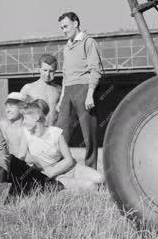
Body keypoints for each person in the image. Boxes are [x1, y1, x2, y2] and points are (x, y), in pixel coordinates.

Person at [19, 98, 103, 190]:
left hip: (72, 168)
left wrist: (50, 172)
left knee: (101, 178)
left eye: (25, 118)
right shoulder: (26, 134)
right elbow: (21, 157)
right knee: (92, 186)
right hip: (57, 177)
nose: (23, 122)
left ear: (36, 118)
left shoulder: (56, 133)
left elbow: (69, 160)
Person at [55, 12, 103, 169]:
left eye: (66, 26)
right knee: (59, 133)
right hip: (68, 90)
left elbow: (96, 70)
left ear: (75, 23)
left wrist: (90, 94)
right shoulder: (66, 47)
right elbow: (64, 74)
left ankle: (91, 170)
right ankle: (60, 168)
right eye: (61, 27)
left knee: (89, 135)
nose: (63, 30)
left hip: (83, 89)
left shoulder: (89, 42)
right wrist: (62, 98)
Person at [20, 54, 62, 126]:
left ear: (55, 71)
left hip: (54, 131)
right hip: (35, 131)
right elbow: (19, 112)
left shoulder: (59, 90)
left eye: (51, 71)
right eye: (45, 70)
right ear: (39, 69)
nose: (47, 74)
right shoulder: (28, 88)